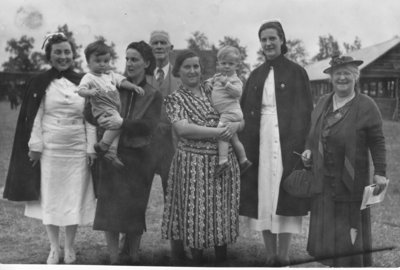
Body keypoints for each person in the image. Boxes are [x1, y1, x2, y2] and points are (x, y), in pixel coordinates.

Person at [3, 33, 97, 264]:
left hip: (77, 149)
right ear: (50, 55)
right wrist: (35, 145)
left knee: (73, 197)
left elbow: (90, 117)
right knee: (52, 198)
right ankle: (54, 247)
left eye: (67, 52)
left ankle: (70, 246)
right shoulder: (40, 82)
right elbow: (35, 116)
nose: (63, 56)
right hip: (51, 150)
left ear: (73, 54)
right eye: (58, 52)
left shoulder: (84, 80)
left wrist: (91, 148)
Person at [301, 55, 388, 267]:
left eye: (347, 73)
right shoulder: (322, 102)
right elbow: (312, 134)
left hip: (351, 182)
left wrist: (381, 171)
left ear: (355, 77)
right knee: (327, 238)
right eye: (337, 73)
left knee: (350, 238)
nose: (342, 78)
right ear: (331, 78)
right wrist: (308, 151)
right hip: (323, 181)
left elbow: (377, 141)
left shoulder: (366, 105)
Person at [239, 20, 313, 266]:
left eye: (273, 38)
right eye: (264, 39)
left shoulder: (297, 72)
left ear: (282, 40)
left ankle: (283, 255)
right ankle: (269, 254)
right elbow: (244, 111)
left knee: (284, 195)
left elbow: (306, 113)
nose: (268, 43)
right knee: (264, 195)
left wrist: (303, 148)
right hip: (259, 141)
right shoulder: (256, 74)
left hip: (286, 142)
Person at [161, 50, 242, 266]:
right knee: (197, 214)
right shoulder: (175, 98)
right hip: (193, 164)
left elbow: (238, 118)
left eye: (196, 66)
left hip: (222, 161)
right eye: (187, 66)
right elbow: (183, 128)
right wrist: (219, 133)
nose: (193, 70)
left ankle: (221, 261)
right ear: (178, 71)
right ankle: (197, 262)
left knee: (221, 213)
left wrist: (234, 126)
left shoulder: (213, 88)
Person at [92, 41, 162, 265]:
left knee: (135, 208)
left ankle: (133, 255)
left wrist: (123, 122)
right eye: (127, 58)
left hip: (139, 156)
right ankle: (113, 258)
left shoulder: (152, 94)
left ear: (147, 63)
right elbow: (91, 112)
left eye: (135, 59)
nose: (130, 63)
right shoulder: (113, 86)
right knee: (109, 208)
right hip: (111, 154)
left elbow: (150, 126)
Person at [77, 40, 144, 168]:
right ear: (88, 62)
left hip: (113, 109)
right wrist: (89, 92)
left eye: (106, 61)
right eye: (98, 61)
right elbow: (80, 91)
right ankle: (103, 145)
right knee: (119, 123)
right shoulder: (89, 77)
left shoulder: (110, 75)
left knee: (117, 126)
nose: (102, 64)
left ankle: (111, 152)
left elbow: (122, 82)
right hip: (102, 110)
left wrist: (133, 87)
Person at [207, 45, 252, 176]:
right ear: (218, 64)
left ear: (237, 66)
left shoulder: (235, 80)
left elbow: (237, 93)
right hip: (227, 113)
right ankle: (243, 160)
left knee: (222, 133)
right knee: (234, 138)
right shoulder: (217, 76)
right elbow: (210, 80)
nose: (227, 66)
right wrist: (208, 83)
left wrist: (226, 84)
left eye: (231, 64)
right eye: (224, 63)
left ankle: (223, 161)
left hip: (230, 112)